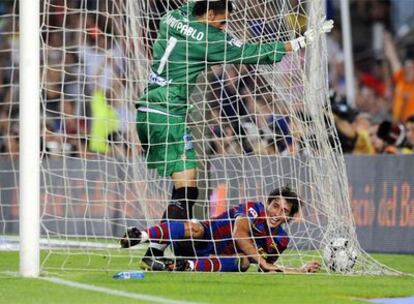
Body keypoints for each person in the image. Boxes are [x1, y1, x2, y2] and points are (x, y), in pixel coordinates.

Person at [135, 0, 333, 270]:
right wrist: (299, 42)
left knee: (187, 189)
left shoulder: (172, 17)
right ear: (211, 14)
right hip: (168, 113)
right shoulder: (210, 39)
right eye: (221, 21)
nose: (223, 26)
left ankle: (156, 251)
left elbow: (194, 7)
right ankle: (153, 246)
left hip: (147, 109)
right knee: (186, 192)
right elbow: (253, 52)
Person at [121, 186, 321, 273]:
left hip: (213, 260)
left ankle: (186, 267)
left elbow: (266, 268)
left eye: (284, 210)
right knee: (195, 227)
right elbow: (239, 234)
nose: (277, 213)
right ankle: (142, 235)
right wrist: (262, 262)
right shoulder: (253, 209)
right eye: (275, 206)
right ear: (267, 204)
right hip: (197, 241)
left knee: (243, 262)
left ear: (289, 217)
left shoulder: (280, 240)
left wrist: (298, 270)